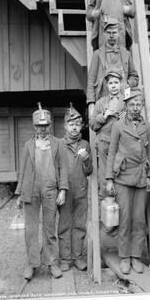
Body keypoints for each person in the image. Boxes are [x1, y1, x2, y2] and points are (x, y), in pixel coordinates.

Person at [14, 103, 68, 281]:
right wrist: (19, 193)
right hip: (31, 191)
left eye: (45, 126)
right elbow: (22, 170)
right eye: (39, 126)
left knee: (49, 228)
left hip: (51, 190)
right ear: (34, 126)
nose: (42, 129)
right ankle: (31, 263)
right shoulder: (28, 145)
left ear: (50, 125)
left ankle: (51, 262)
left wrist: (63, 190)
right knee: (30, 230)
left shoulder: (58, 143)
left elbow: (63, 168)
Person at [105, 88, 150, 274]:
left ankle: (136, 256)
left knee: (139, 219)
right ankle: (124, 257)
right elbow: (111, 152)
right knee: (124, 219)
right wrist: (109, 179)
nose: (134, 108)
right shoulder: (117, 126)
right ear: (125, 105)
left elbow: (148, 153)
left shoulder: (147, 126)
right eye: (131, 104)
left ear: (141, 106)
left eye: (138, 104)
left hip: (141, 177)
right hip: (123, 178)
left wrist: (148, 176)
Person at [58, 104, 93, 272]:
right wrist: (60, 189)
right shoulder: (59, 145)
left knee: (79, 224)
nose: (74, 127)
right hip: (64, 191)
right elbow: (55, 170)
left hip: (80, 190)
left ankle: (77, 257)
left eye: (77, 124)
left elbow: (89, 171)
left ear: (81, 126)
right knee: (64, 225)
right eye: (71, 124)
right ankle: (65, 258)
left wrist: (86, 160)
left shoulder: (85, 144)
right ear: (65, 126)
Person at [87, 18, 138, 115]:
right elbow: (91, 80)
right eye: (108, 33)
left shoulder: (126, 54)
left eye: (114, 32)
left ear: (119, 33)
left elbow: (134, 76)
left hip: (123, 100)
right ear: (104, 34)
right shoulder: (97, 54)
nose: (111, 36)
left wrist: (127, 84)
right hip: (103, 99)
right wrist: (91, 103)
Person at [89, 68, 125, 201]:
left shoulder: (126, 101)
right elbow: (92, 124)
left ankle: (121, 201)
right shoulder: (101, 103)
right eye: (110, 83)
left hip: (122, 144)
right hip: (105, 145)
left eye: (116, 82)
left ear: (121, 83)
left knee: (121, 172)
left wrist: (126, 117)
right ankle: (105, 204)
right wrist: (104, 116)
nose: (113, 85)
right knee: (104, 174)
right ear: (107, 85)